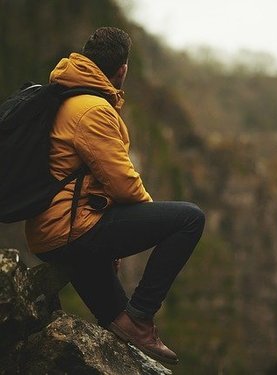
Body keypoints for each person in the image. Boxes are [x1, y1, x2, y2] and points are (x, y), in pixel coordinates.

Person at [25, 26, 205, 365]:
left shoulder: (65, 96)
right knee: (189, 218)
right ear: (122, 70)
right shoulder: (92, 109)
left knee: (119, 328)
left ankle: (132, 325)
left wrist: (112, 232)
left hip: (55, 232)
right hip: (70, 231)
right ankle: (143, 316)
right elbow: (122, 182)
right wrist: (140, 226)